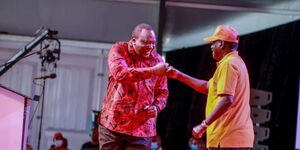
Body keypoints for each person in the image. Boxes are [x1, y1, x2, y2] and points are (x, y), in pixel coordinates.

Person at [167, 25, 254, 150]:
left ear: (221, 43)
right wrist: (178, 75)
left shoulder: (228, 65)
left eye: (213, 43)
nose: (211, 46)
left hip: (227, 138)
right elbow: (208, 87)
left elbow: (227, 100)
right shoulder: (236, 62)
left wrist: (204, 124)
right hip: (237, 138)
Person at [98, 23, 169, 150]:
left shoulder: (158, 60)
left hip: (141, 129)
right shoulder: (119, 49)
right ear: (134, 40)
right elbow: (120, 74)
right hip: (113, 125)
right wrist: (152, 71)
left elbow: (163, 92)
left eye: (153, 43)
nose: (150, 47)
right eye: (145, 42)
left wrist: (156, 107)